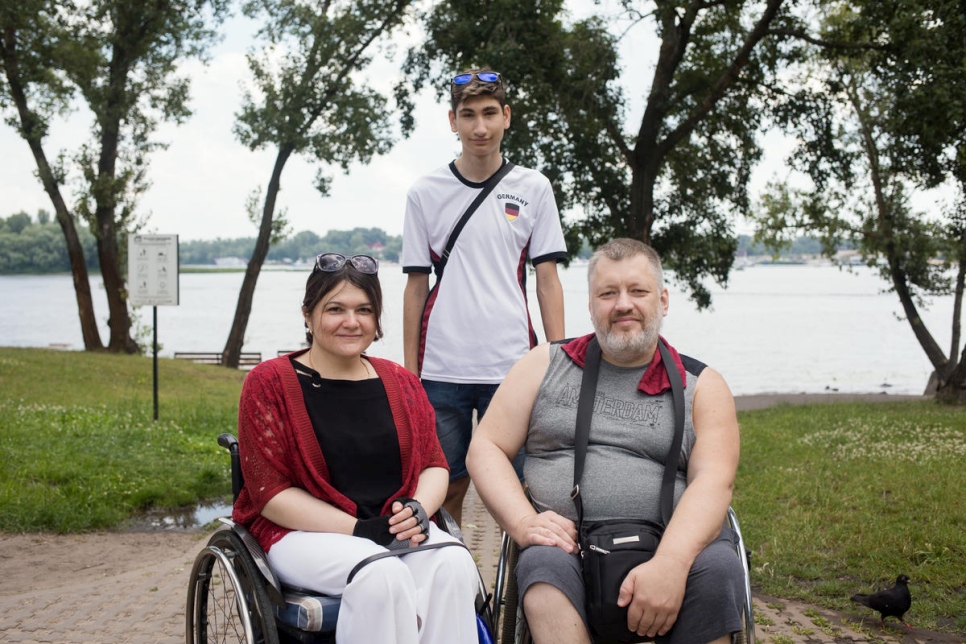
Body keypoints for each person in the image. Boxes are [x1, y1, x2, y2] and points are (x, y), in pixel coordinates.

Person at [466, 238, 745, 644]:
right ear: (592, 304)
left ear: (663, 300)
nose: (623, 304)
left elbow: (714, 481)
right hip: (568, 548)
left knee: (719, 569)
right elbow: (485, 447)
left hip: (675, 543)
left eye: (638, 291)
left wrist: (670, 562)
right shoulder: (543, 364)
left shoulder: (702, 385)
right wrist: (524, 522)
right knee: (543, 567)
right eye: (608, 293)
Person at [232, 252, 480, 644]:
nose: (351, 322)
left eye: (364, 309)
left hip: (389, 527)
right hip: (300, 534)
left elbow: (434, 464)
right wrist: (360, 530)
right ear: (308, 315)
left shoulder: (401, 382)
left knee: (454, 563)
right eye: (335, 309)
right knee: (380, 574)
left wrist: (418, 510)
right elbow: (270, 493)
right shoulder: (270, 383)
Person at [402, 67, 568, 525]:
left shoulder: (534, 188)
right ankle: (452, 588)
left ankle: (516, 590)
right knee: (445, 487)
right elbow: (416, 286)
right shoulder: (424, 192)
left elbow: (547, 278)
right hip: (440, 370)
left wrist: (560, 360)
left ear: (507, 116)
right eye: (468, 114)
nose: (479, 126)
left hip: (511, 366)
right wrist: (410, 373)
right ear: (452, 121)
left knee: (520, 491)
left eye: (490, 113)